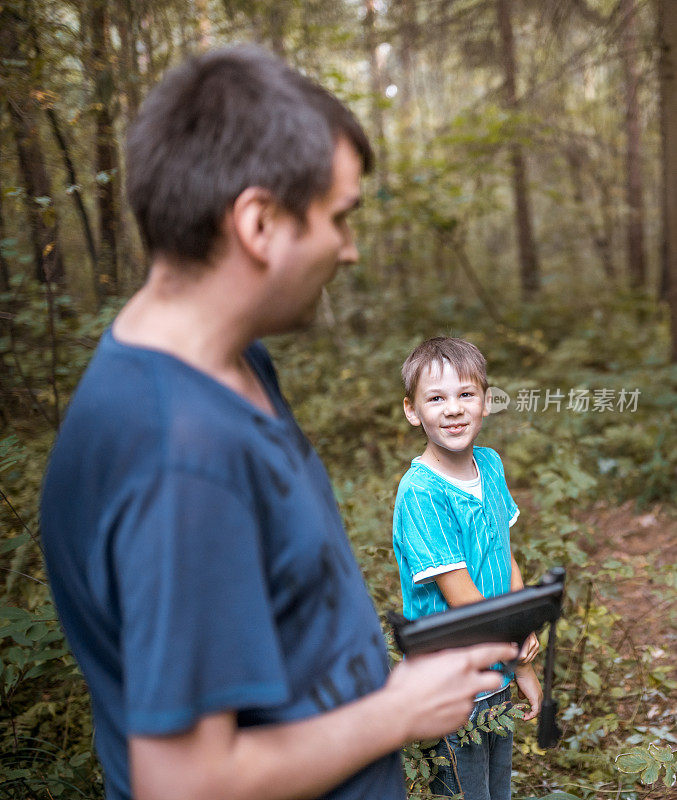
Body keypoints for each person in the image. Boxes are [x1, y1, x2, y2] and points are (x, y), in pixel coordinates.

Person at [40, 48, 518, 800]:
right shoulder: (180, 457)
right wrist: (395, 711)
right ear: (259, 222)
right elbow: (183, 784)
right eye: (339, 218)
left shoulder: (231, 364)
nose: (349, 250)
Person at [392, 337, 543, 800]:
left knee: (499, 788)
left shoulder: (490, 464)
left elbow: (504, 551)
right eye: (436, 398)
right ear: (412, 411)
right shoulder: (422, 494)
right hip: (453, 678)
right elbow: (461, 598)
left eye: (466, 394)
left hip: (496, 662)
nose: (453, 409)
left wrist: (520, 643)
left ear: (487, 402)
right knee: (464, 791)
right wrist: (516, 649)